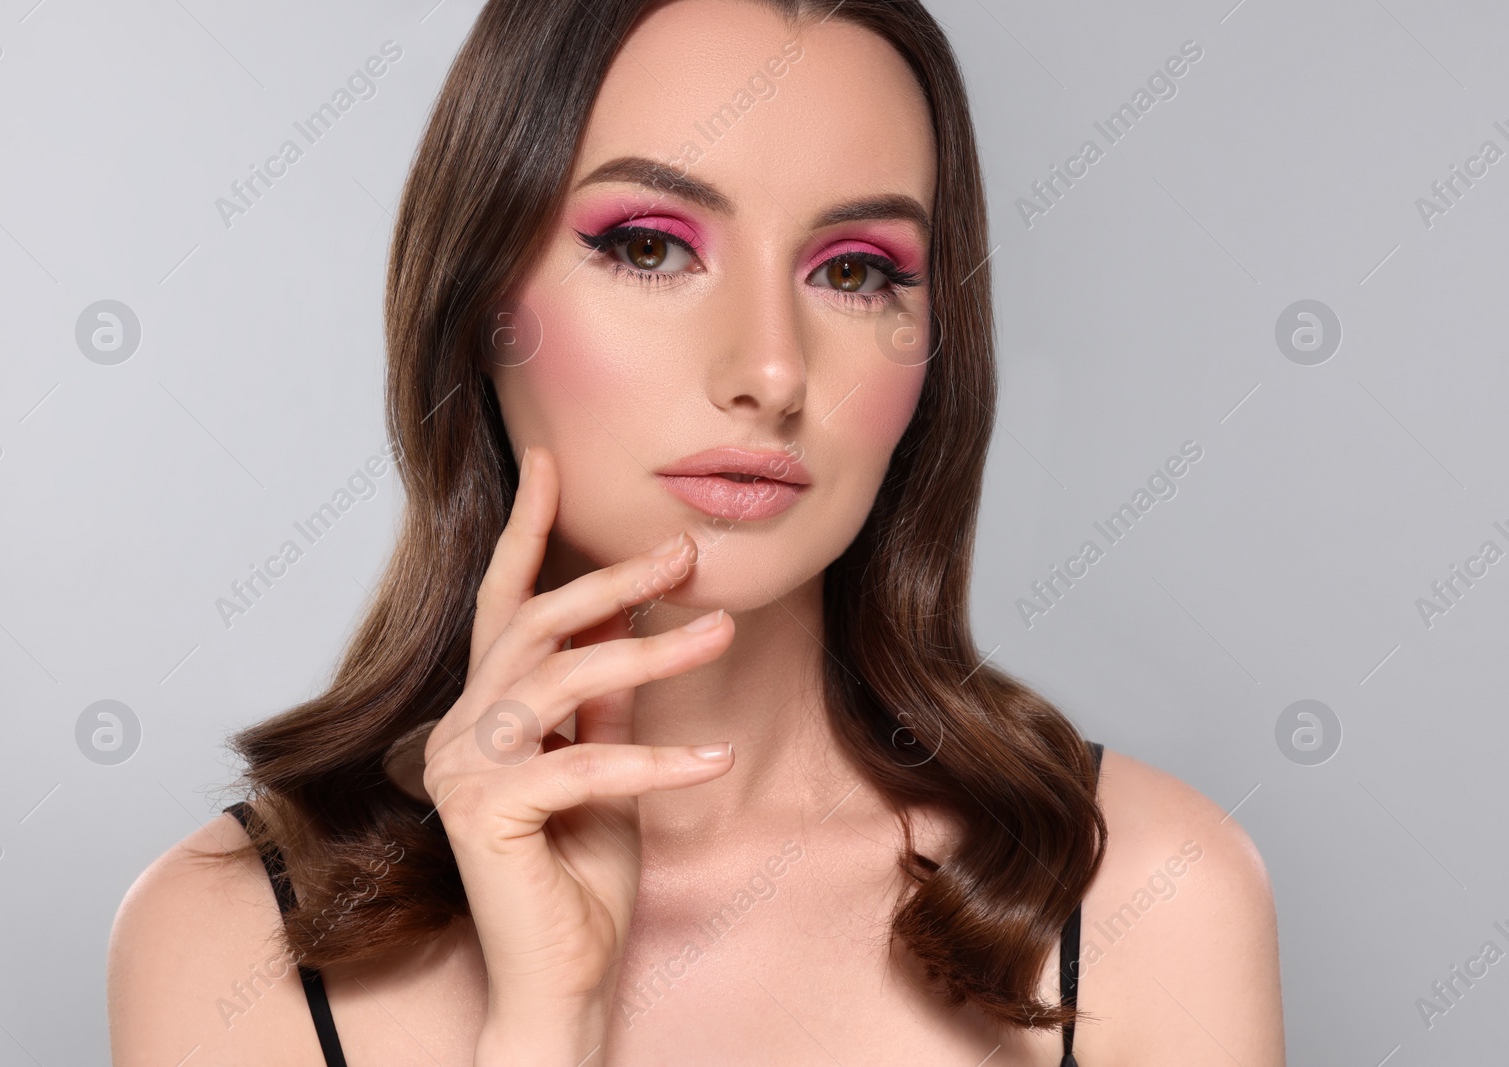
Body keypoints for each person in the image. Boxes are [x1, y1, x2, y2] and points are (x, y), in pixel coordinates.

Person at [108, 1, 1285, 1063]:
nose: (771, 370)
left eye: (857, 270)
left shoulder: (1144, 891)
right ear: (477, 308)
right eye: (649, 247)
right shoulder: (228, 940)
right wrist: (543, 1028)